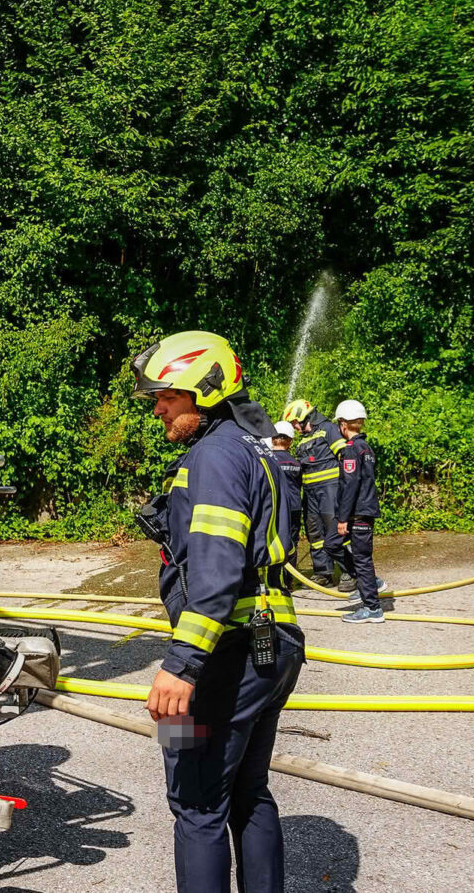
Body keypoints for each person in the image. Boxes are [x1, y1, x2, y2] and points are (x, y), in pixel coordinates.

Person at [132, 331, 304, 893]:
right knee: (248, 792)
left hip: (224, 650)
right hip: (271, 641)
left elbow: (216, 569)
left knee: (197, 801)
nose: (157, 408)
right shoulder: (259, 448)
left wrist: (181, 664)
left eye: (167, 397)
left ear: (203, 390)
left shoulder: (212, 457)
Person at [283, 399, 351, 590]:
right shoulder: (303, 438)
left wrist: (349, 485)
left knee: (336, 529)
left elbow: (344, 455)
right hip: (310, 492)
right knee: (315, 533)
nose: (294, 427)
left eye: (295, 422)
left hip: (330, 488)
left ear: (305, 416)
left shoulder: (328, 429)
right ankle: (323, 573)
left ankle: (349, 572)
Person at [335, 400, 387, 624]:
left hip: (357, 513)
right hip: (364, 511)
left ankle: (372, 608)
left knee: (362, 559)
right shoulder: (367, 448)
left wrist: (343, 518)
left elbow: (350, 485)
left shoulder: (352, 450)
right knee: (334, 545)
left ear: (344, 424)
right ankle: (368, 584)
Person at [268, 421, 303, 567]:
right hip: (294, 506)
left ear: (272, 439)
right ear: (290, 441)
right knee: (292, 541)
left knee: (274, 541)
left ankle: (275, 577)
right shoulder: (296, 463)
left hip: (275, 507)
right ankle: (289, 580)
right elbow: (299, 484)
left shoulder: (267, 460)